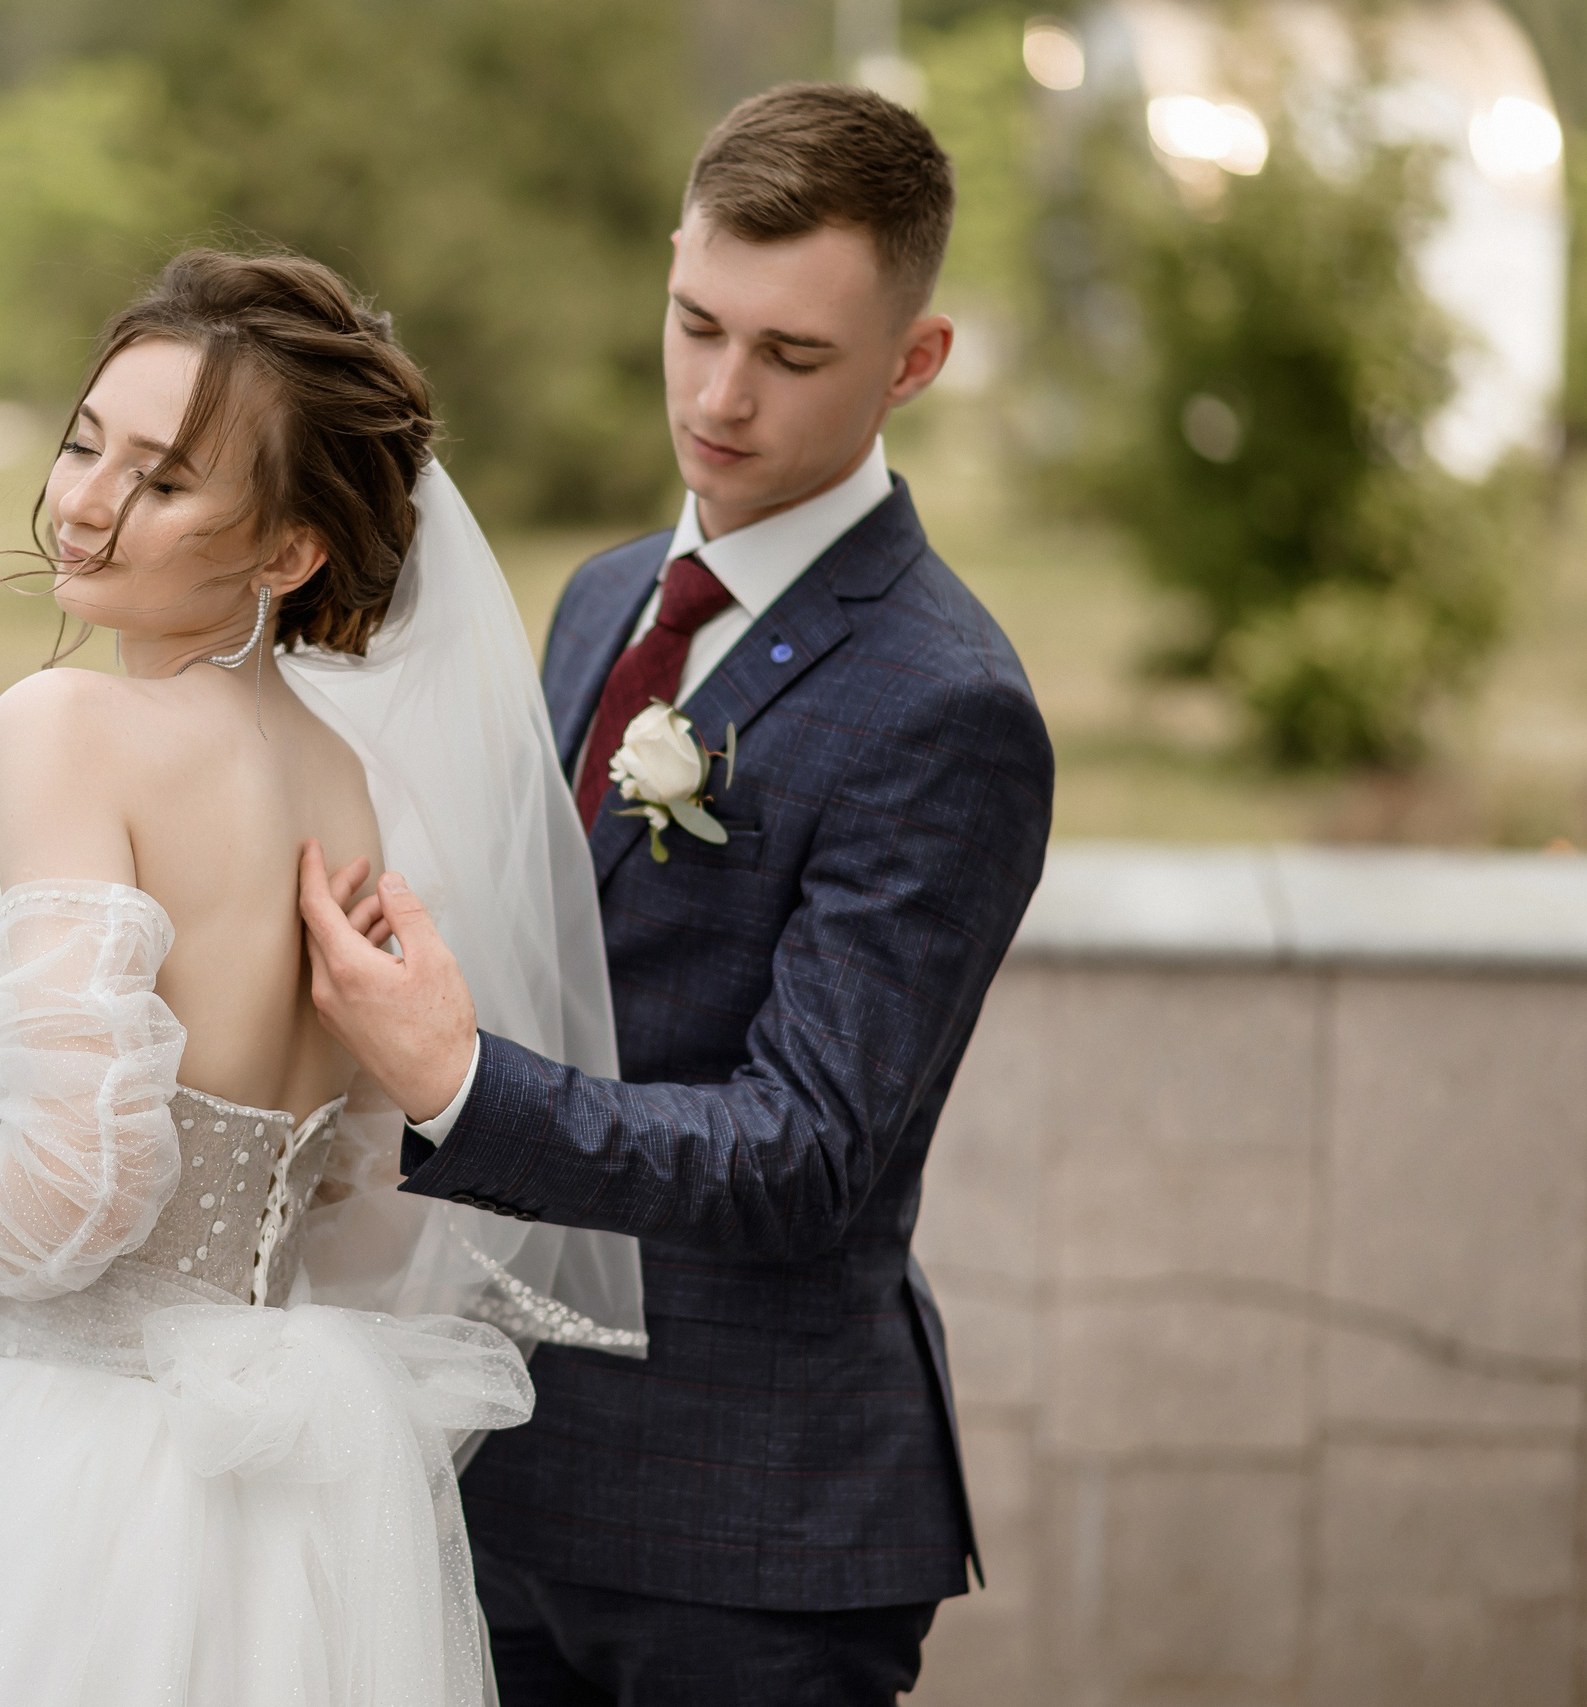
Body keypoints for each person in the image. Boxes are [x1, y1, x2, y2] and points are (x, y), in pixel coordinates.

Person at [0, 248, 647, 1707]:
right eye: (82, 445)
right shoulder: (348, 779)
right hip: (285, 1486)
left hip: (78, 1465)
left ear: (289, 553)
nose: (85, 502)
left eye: (163, 480)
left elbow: (79, 1189)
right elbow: (350, 1188)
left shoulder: (64, 724)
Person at [299, 84, 1057, 1705]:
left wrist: (458, 1084)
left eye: (793, 354)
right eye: (698, 323)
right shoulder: (598, 600)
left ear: (913, 361)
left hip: (751, 1536)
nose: (720, 394)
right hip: (501, 1470)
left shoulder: (947, 705)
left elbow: (807, 1152)